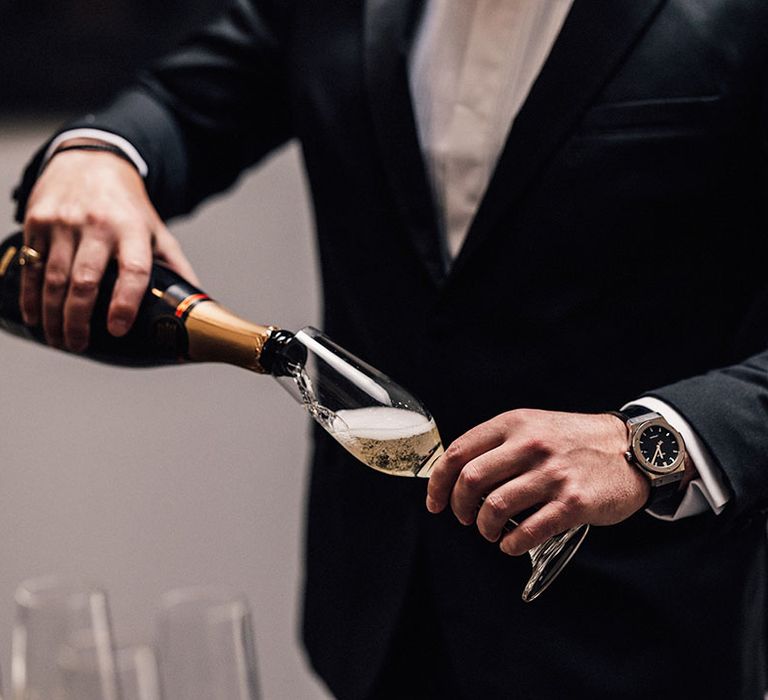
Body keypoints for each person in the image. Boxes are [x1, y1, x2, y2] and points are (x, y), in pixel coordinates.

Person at [12, 1, 768, 698]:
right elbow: (185, 104)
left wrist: (650, 442)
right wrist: (99, 153)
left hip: (646, 631)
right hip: (379, 619)